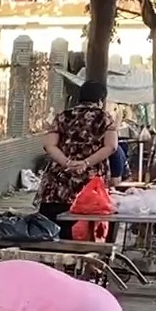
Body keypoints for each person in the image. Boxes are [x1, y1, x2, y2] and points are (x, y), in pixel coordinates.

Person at [37, 80, 118, 232]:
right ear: (101, 100)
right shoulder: (105, 118)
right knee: (87, 227)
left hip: (60, 180)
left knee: (53, 230)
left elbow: (49, 145)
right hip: (91, 182)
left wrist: (67, 163)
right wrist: (86, 163)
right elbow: (111, 146)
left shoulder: (63, 116)